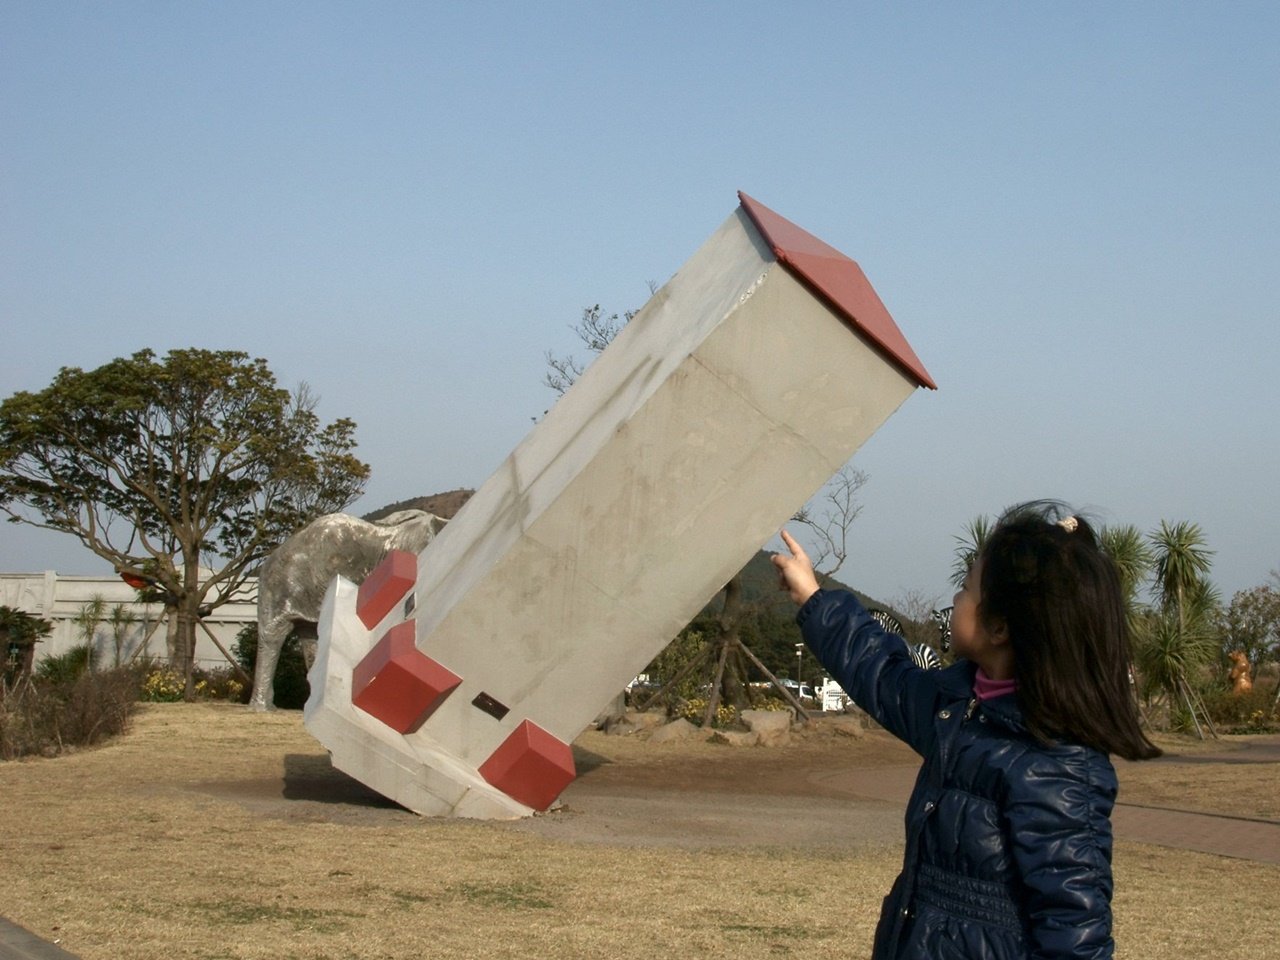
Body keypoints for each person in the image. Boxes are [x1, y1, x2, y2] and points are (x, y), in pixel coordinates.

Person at [771, 500, 1160, 960]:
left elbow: (1074, 932)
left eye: (966, 588)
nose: (954, 599)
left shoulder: (1057, 765)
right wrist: (814, 598)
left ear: (999, 627)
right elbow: (882, 675)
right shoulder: (955, 707)